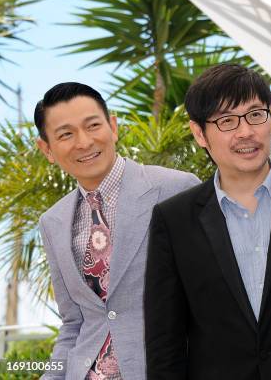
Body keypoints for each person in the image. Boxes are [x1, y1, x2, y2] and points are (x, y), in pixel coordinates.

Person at [144, 64, 271, 379]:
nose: (246, 132)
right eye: (227, 121)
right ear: (199, 133)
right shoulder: (174, 220)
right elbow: (165, 339)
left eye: (256, 114)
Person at [35, 82, 200, 380]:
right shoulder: (52, 221)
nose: (84, 142)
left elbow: (207, 300)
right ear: (46, 149)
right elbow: (74, 323)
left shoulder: (177, 189)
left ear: (113, 126)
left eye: (93, 125)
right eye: (66, 134)